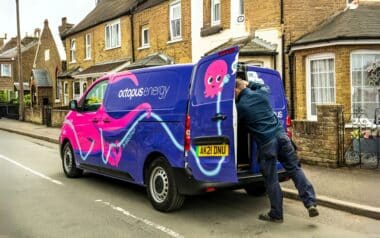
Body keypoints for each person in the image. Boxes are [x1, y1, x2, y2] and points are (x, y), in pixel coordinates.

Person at [235, 78, 318, 223]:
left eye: (233, 92)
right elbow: (264, 86)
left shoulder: (240, 106)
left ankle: (276, 214)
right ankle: (310, 203)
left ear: (237, 90)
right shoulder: (262, 94)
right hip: (282, 137)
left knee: (271, 179)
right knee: (295, 170)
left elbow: (237, 125)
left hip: (267, 144)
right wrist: (249, 84)